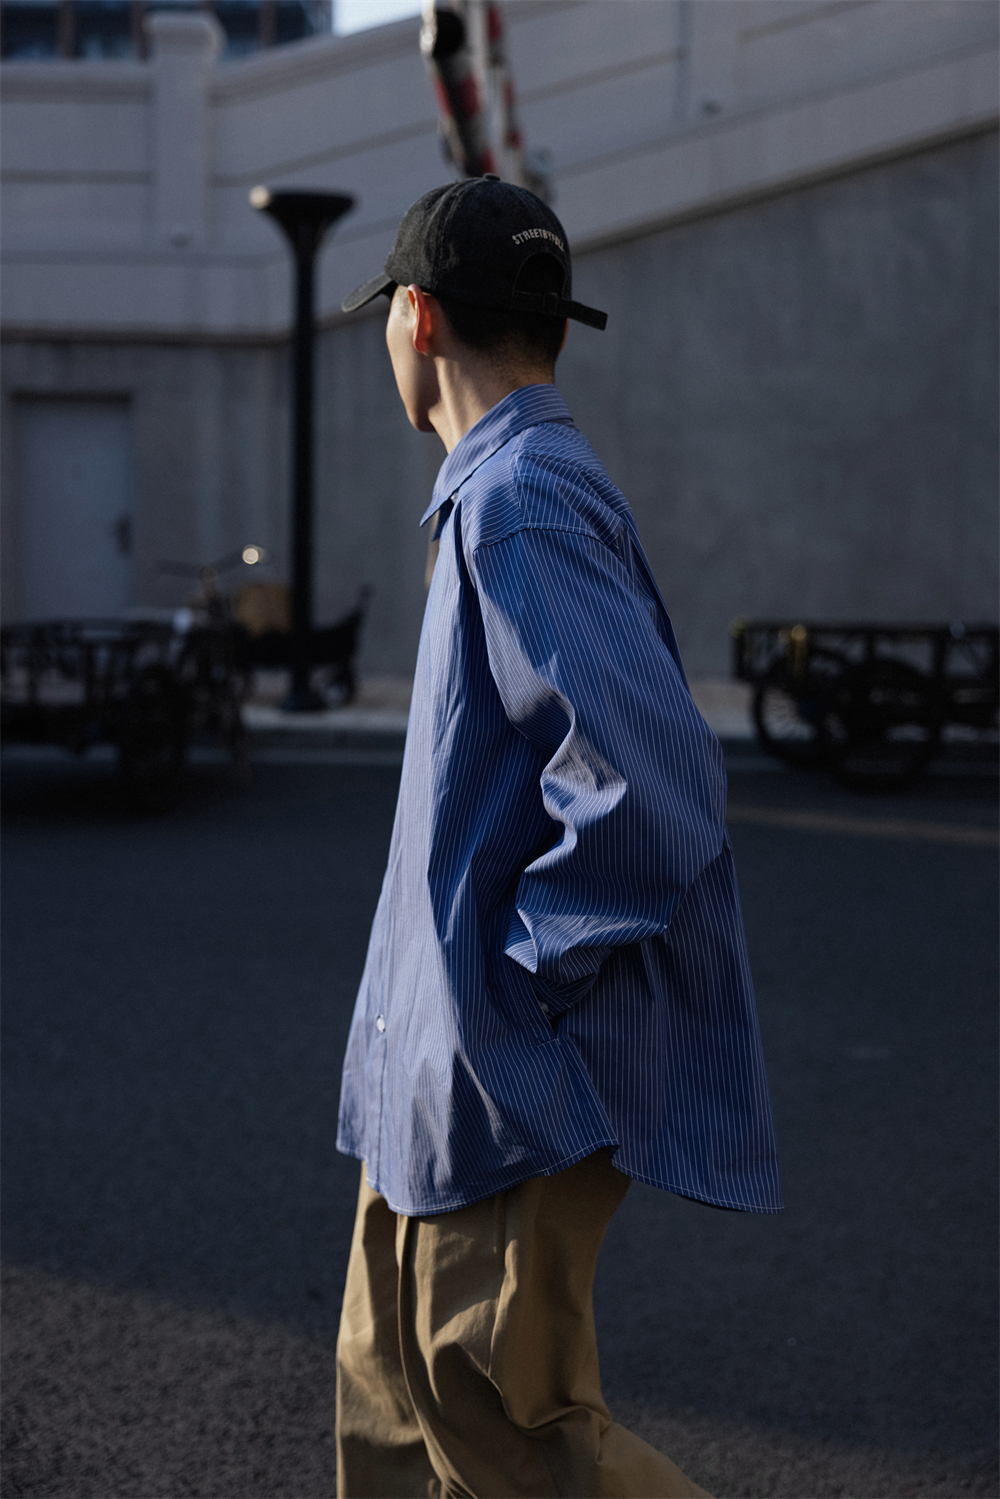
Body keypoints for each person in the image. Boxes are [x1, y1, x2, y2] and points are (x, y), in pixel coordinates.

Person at [335, 176, 782, 1499]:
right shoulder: (500, 488)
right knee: (393, 1407)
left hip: (499, 1075)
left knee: (509, 1437)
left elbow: (649, 787)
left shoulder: (521, 500)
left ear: (418, 317)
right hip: (435, 1072)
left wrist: (519, 981)